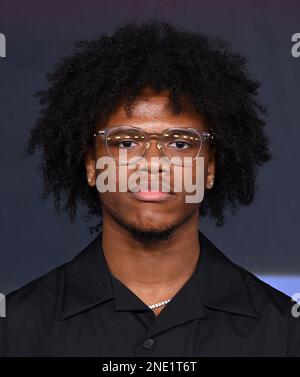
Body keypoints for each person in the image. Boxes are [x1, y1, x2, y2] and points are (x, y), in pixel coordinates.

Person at [1, 20, 299, 357]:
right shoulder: (15, 327)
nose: (153, 161)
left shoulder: (284, 331)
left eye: (182, 144)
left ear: (210, 168)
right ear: (90, 165)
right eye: (126, 141)